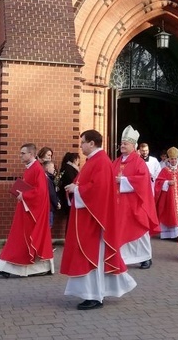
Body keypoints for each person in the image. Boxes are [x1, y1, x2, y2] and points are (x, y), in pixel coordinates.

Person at [61, 129, 136, 310]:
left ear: (92, 143)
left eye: (83, 142)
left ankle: (94, 295)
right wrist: (75, 186)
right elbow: (87, 184)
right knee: (89, 256)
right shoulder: (93, 161)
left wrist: (77, 190)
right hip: (87, 217)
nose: (81, 146)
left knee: (92, 256)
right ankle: (93, 293)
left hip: (94, 221)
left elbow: (99, 190)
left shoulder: (101, 161)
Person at [0, 143, 54, 278]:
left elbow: (40, 192)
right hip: (26, 209)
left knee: (22, 239)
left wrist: (24, 195)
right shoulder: (30, 168)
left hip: (31, 211)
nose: (20, 156)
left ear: (31, 154)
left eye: (23, 153)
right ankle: (5, 267)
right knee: (19, 239)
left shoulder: (37, 169)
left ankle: (7, 267)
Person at [113, 125, 159, 269]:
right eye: (122, 143)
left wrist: (124, 180)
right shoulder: (116, 161)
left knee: (140, 232)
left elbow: (143, 180)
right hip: (119, 204)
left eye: (126, 143)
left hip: (135, 204)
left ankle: (145, 258)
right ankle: (123, 258)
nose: (122, 146)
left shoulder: (139, 162)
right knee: (120, 231)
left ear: (134, 145)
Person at [154, 147, 178, 240]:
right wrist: (167, 182)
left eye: (175, 159)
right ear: (169, 159)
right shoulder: (164, 170)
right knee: (170, 214)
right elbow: (158, 182)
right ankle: (169, 235)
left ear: (177, 159)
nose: (173, 160)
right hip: (168, 198)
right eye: (172, 159)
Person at [58, 152, 80, 220]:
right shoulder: (69, 168)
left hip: (67, 195)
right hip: (69, 196)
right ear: (74, 159)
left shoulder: (66, 167)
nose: (78, 162)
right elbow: (72, 180)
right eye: (78, 159)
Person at [43, 159, 61, 228]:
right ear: (47, 168)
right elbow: (52, 193)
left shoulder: (47, 178)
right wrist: (57, 203)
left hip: (47, 206)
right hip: (49, 207)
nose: (54, 169)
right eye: (52, 167)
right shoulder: (48, 179)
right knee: (48, 226)